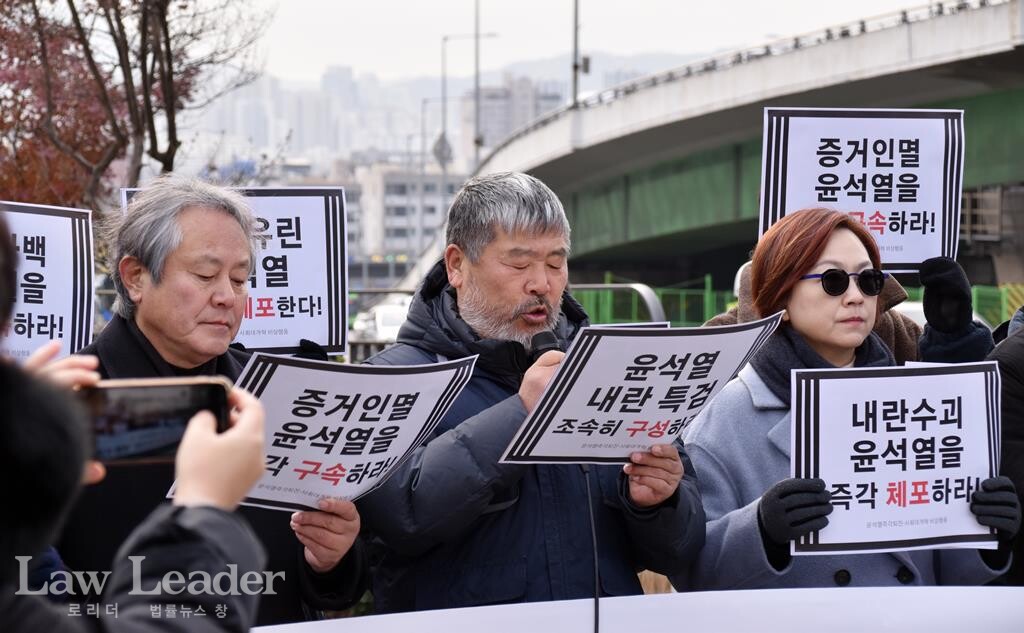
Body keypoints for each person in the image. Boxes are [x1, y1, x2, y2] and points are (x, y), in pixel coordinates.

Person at [358, 171, 705, 612]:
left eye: (556, 263)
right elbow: (400, 516)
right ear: (457, 265)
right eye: (520, 264)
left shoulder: (613, 371)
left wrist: (659, 504)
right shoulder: (393, 381)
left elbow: (681, 551)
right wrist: (523, 413)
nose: (542, 283)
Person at [59, 174, 365, 624]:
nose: (227, 297)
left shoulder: (276, 392)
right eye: (205, 275)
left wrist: (331, 558)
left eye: (240, 279)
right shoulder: (70, 403)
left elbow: (321, 585)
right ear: (136, 277)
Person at [674, 208, 1019, 590]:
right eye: (833, 281)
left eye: (869, 281)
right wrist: (761, 532)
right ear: (780, 298)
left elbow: (940, 568)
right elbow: (690, 571)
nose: (856, 297)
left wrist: (985, 535)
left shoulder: (912, 404)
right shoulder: (725, 416)